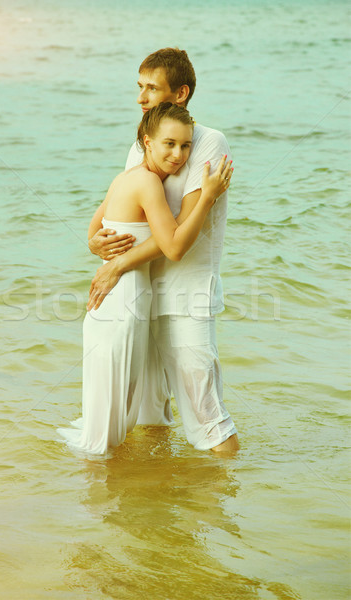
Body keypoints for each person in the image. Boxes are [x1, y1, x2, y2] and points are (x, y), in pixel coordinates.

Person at [87, 48, 240, 454]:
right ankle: (157, 504)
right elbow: (116, 207)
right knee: (149, 414)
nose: (141, 97)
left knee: (206, 415)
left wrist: (117, 263)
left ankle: (224, 503)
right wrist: (94, 242)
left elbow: (175, 238)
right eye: (139, 87)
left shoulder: (207, 143)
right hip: (140, 296)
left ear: (181, 93)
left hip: (187, 295)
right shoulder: (143, 143)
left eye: (151, 88)